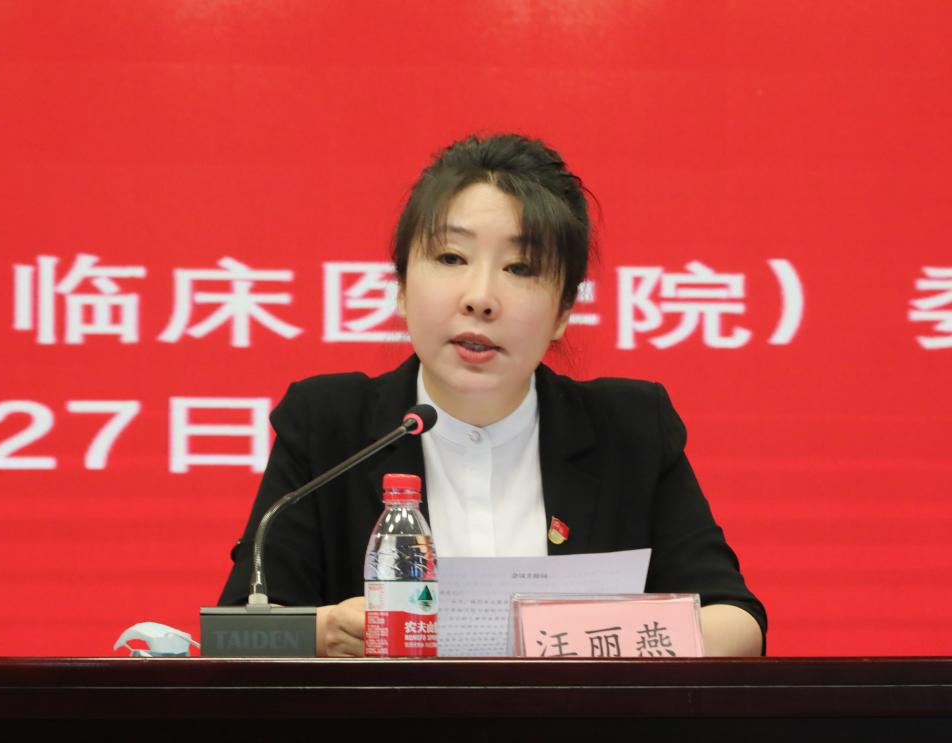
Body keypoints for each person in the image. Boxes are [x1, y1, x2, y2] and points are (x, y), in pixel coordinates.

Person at [219, 133, 766, 657]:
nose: (480, 298)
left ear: (564, 310)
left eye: (520, 268)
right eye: (451, 258)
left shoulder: (631, 429)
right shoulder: (328, 425)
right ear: (402, 287)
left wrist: (569, 638)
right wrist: (324, 633)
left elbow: (738, 623)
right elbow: (235, 633)